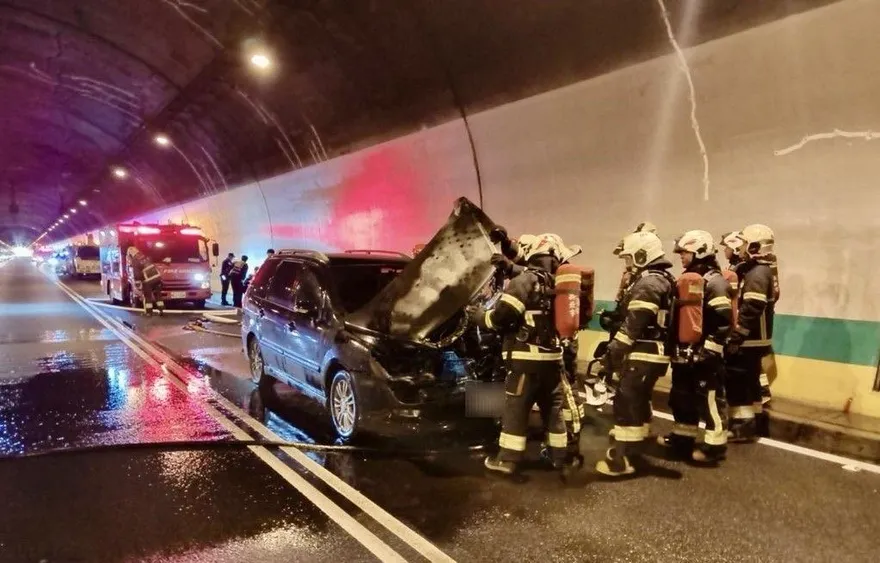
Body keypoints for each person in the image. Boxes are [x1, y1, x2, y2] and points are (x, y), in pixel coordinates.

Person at [473, 233, 582, 476]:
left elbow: (501, 318)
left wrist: (479, 317)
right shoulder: (556, 282)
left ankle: (507, 460)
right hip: (553, 361)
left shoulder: (524, 280)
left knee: (516, 408)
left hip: (526, 361)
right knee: (553, 410)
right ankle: (558, 457)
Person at [596, 230, 675, 477]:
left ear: (642, 255)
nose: (627, 264)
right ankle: (638, 441)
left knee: (627, 399)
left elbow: (634, 325)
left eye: (629, 258)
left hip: (643, 352)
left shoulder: (649, 283)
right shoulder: (660, 279)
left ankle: (621, 459)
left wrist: (611, 354)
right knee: (638, 398)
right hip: (651, 352)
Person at [658, 230, 731, 463]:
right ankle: (682, 438)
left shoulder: (715, 281)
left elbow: (724, 319)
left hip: (705, 355)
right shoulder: (687, 279)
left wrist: (710, 349)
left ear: (699, 251)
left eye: (685, 252)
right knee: (681, 397)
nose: (681, 256)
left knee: (709, 400)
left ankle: (714, 447)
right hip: (684, 352)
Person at [725, 224, 776, 441]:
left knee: (738, 382)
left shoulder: (757, 273)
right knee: (752, 382)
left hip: (750, 340)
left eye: (745, 243)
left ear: (754, 246)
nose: (741, 248)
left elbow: (753, 306)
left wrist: (737, 334)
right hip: (756, 340)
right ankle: (756, 423)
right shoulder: (759, 270)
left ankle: (741, 427)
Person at [126, 246, 164, 316]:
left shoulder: (135, 260)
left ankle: (148, 312)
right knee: (158, 295)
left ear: (131, 254)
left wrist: (138, 283)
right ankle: (161, 310)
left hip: (148, 280)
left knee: (147, 297)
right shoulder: (145, 256)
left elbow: (137, 273)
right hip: (157, 278)